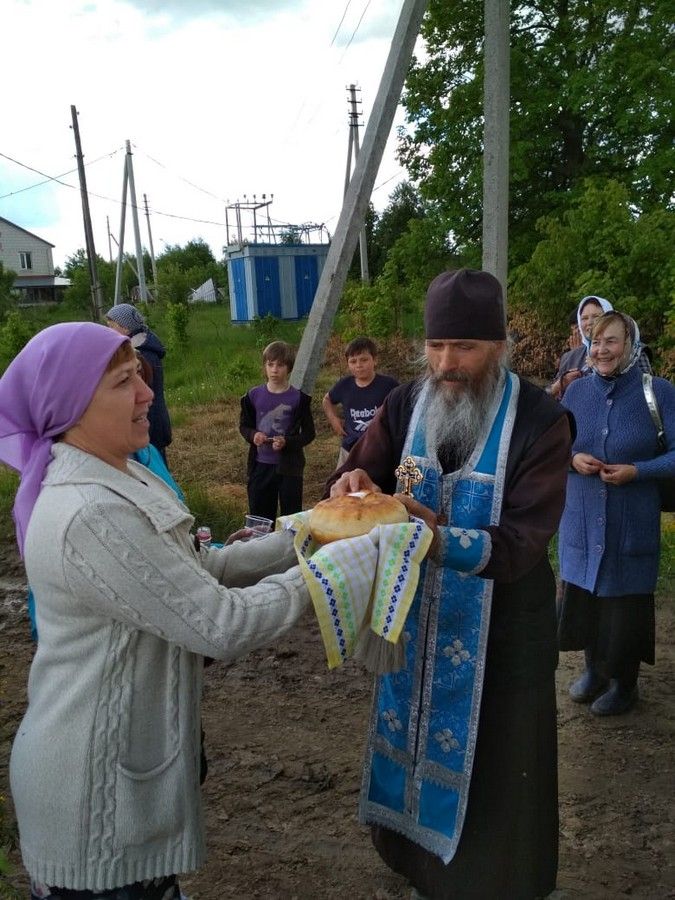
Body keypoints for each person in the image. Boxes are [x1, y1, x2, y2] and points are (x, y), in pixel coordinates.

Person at [0, 322, 317, 899]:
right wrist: (334, 577)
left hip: (116, 778)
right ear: (70, 408)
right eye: (125, 382)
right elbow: (220, 623)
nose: (149, 393)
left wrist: (311, 533)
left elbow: (193, 573)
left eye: (142, 376)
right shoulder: (91, 513)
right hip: (89, 800)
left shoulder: (122, 473)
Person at [326, 269, 573, 900]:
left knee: (499, 765)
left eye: (464, 348)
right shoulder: (408, 402)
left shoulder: (542, 421)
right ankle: (420, 868)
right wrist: (351, 484)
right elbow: (361, 470)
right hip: (412, 619)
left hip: (504, 632)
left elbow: (521, 542)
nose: (446, 364)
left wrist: (435, 535)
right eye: (436, 347)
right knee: (409, 737)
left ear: (499, 346)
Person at [558, 311, 675, 716]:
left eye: (612, 340)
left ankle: (625, 684)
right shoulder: (575, 393)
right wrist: (573, 460)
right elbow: (554, 448)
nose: (602, 349)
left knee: (624, 608)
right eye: (596, 340)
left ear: (630, 344)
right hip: (582, 517)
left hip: (631, 520)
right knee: (586, 598)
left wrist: (638, 471)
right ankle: (594, 669)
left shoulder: (657, 391)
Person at [239, 340, 315, 523]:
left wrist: (287, 442)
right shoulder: (253, 396)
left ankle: (289, 550)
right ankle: (262, 549)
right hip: (260, 466)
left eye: (280, 365)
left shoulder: (299, 399)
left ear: (288, 367)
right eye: (270, 364)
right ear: (264, 367)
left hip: (289, 469)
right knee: (260, 517)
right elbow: (244, 426)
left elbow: (309, 434)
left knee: (291, 517)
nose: (274, 370)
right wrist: (253, 435)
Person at [549, 295, 652, 400]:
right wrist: (561, 384)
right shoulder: (570, 357)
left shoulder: (633, 352)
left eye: (596, 316)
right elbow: (552, 400)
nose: (589, 322)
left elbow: (647, 391)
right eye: (584, 318)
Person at [106, 302, 173, 460]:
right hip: (151, 421)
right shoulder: (145, 349)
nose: (108, 331)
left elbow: (137, 395)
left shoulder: (141, 356)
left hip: (149, 423)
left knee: (153, 471)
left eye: (110, 326)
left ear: (125, 328)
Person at [322, 336, 399, 467]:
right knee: (342, 484)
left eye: (364, 360)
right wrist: (333, 419)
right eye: (353, 361)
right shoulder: (344, 385)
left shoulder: (389, 385)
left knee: (376, 486)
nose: (358, 365)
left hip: (380, 448)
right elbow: (327, 399)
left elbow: (402, 405)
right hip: (350, 447)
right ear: (347, 363)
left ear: (375, 360)